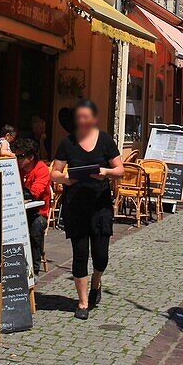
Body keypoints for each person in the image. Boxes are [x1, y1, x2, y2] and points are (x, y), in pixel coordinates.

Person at [51, 99, 124, 320]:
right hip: (76, 206)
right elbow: (54, 172)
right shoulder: (67, 143)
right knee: (80, 254)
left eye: (86, 117)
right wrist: (65, 178)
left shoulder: (105, 141)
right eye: (79, 117)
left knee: (101, 255)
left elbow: (120, 169)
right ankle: (82, 302)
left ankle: (96, 282)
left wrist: (106, 172)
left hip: (100, 205)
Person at [16, 138, 52, 274]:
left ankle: (34, 270)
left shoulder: (41, 169)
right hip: (22, 210)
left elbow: (35, 193)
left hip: (39, 212)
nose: (17, 159)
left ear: (30, 157)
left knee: (36, 230)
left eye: (20, 156)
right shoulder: (18, 169)